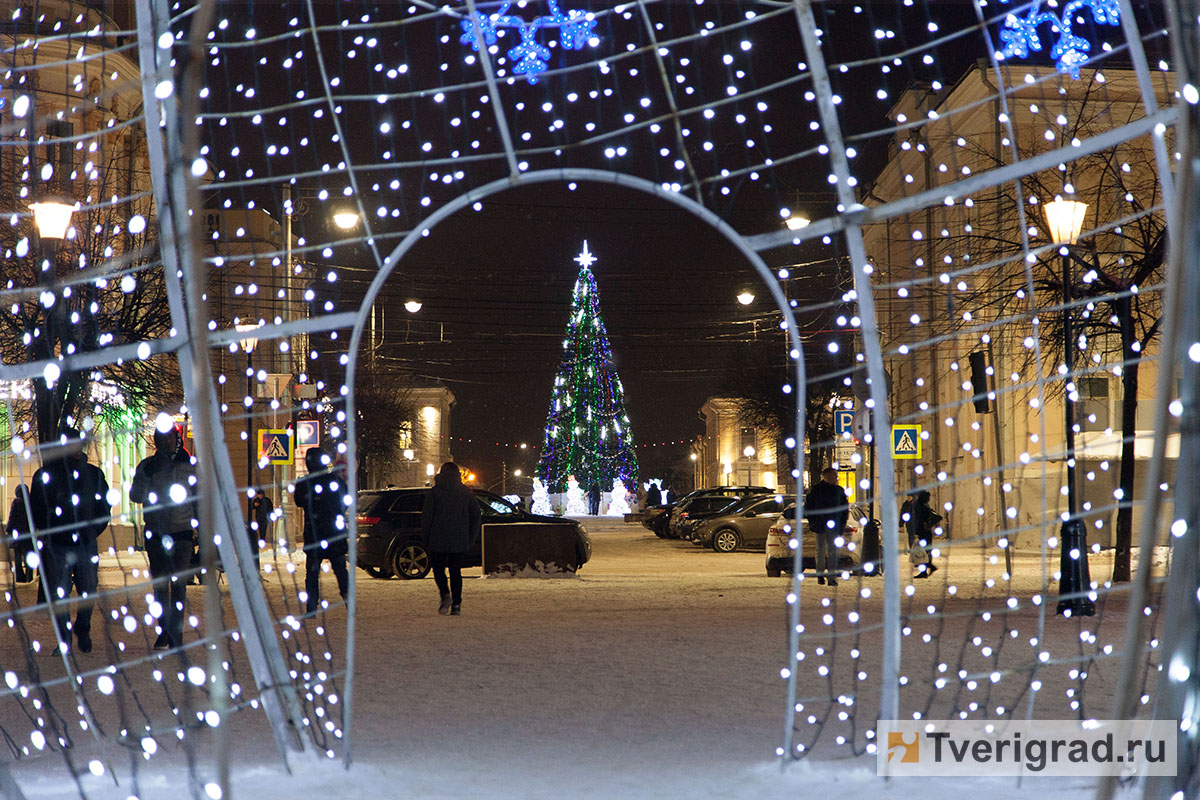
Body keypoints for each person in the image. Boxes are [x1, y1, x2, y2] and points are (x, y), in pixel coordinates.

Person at [29, 428, 111, 654]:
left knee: (88, 586)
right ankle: (64, 637)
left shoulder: (93, 475)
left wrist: (93, 530)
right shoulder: (46, 475)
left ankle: (82, 626)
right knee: (59, 592)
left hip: (84, 541)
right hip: (58, 542)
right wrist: (49, 529)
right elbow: (36, 507)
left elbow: (103, 507)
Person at [130, 422, 198, 650]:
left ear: (176, 439)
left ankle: (175, 634)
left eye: (169, 437)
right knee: (160, 586)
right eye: (161, 438)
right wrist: (144, 481)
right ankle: (164, 631)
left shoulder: (190, 465)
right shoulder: (148, 466)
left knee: (178, 584)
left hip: (182, 532)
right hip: (156, 532)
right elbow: (135, 496)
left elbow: (199, 499)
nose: (165, 442)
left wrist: (201, 531)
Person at [420, 462, 480, 616]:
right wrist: (470, 537)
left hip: (437, 537)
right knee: (455, 571)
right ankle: (457, 604)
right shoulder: (466, 493)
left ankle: (445, 594)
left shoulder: (434, 493)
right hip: (459, 539)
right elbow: (476, 516)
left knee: (438, 570)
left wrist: (425, 538)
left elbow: (427, 518)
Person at [294, 447, 349, 613]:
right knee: (340, 570)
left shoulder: (305, 483)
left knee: (312, 573)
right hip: (334, 532)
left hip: (315, 533)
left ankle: (311, 606)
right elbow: (344, 501)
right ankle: (348, 600)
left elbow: (299, 501)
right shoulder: (334, 480)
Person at [805, 468, 848, 587]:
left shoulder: (837, 490)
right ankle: (822, 574)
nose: (835, 478)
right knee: (823, 550)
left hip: (828, 524)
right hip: (822, 524)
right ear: (826, 476)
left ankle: (830, 576)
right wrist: (813, 521)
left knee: (830, 551)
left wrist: (842, 523)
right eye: (833, 476)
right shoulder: (817, 490)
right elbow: (808, 507)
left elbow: (844, 509)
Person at [904, 490, 941, 578]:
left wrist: (916, 532)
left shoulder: (918, 506)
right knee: (925, 552)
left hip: (922, 532)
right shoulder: (926, 506)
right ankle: (926, 570)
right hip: (927, 532)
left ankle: (928, 568)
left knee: (922, 552)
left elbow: (918, 520)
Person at [7, 484, 33, 583]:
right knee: (28, 556)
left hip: (17, 534)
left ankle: (20, 577)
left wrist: (9, 530)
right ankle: (29, 576)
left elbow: (12, 517)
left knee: (18, 557)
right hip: (28, 534)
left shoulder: (16, 502)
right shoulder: (30, 502)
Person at [246, 492, 274, 573]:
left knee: (263, 529)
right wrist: (255, 505)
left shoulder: (266, 500)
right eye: (259, 495)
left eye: (261, 494)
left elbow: (270, 508)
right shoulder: (256, 500)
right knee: (260, 528)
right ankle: (261, 539)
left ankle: (262, 539)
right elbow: (251, 507)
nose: (260, 496)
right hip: (259, 517)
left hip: (265, 517)